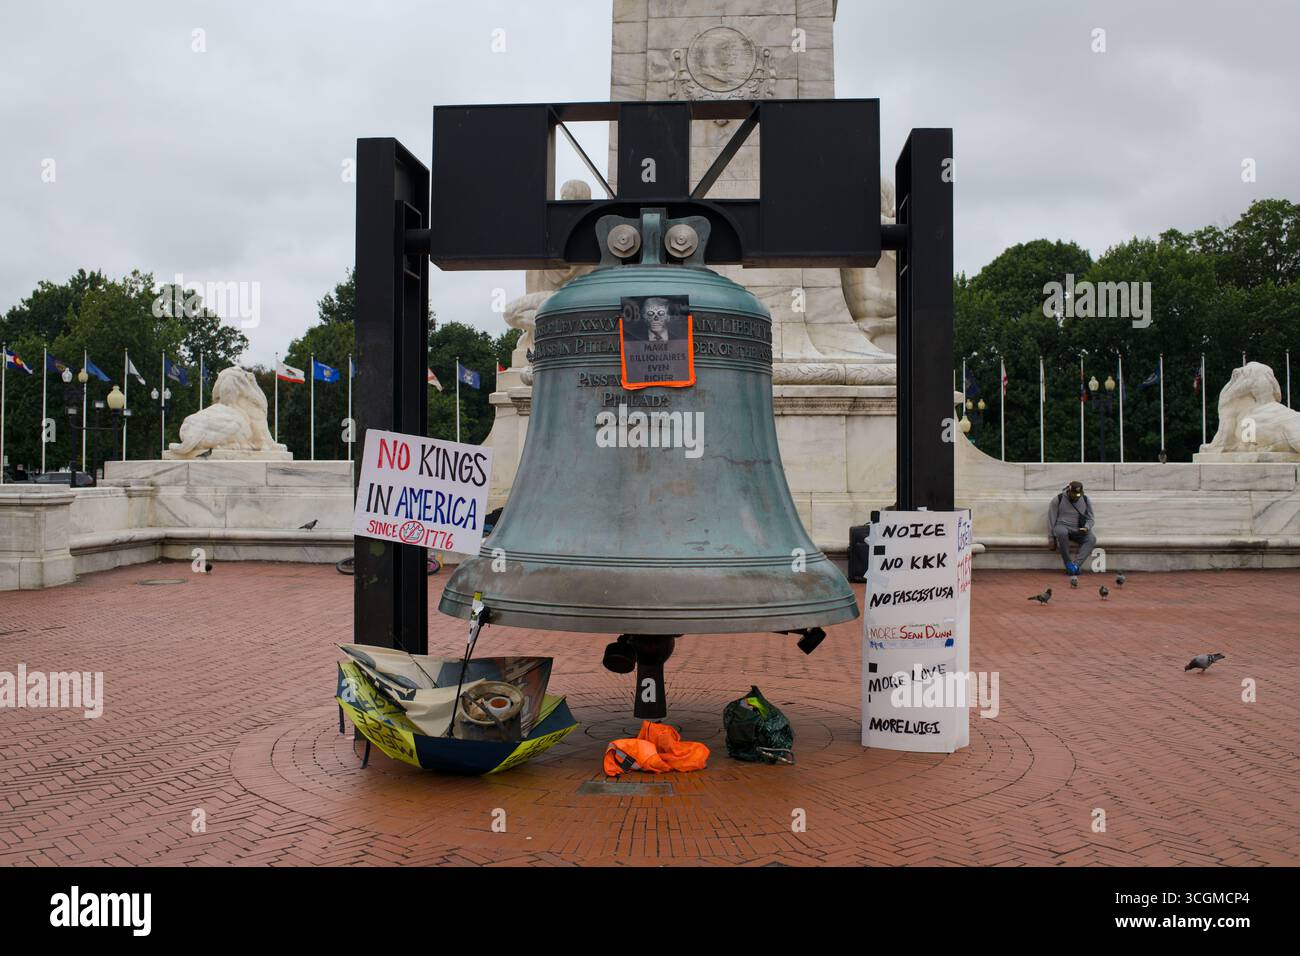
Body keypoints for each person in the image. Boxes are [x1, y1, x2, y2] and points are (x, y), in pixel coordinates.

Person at [1048, 480, 1095, 575]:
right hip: (1062, 526)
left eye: (1078, 495)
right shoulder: (1058, 499)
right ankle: (1068, 563)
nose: (1076, 497)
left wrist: (1086, 527)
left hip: (1079, 529)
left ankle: (1075, 566)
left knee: (1091, 539)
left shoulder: (1085, 499)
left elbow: (1091, 518)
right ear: (1069, 490)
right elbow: (1051, 518)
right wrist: (1051, 537)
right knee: (1061, 532)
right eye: (1074, 495)